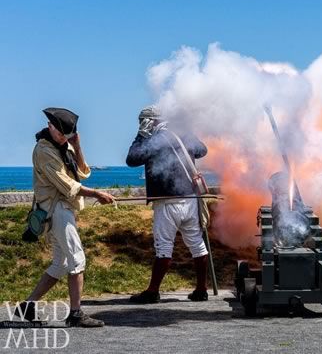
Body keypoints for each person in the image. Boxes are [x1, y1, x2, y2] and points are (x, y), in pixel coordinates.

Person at [17, 108, 116, 327]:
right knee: (77, 259)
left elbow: (82, 172)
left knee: (60, 264)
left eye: (68, 135)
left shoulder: (66, 144)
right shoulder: (43, 150)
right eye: (62, 134)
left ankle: (27, 306)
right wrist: (96, 194)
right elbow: (67, 184)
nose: (65, 138)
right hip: (56, 209)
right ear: (50, 126)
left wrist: (78, 146)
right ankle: (75, 313)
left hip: (64, 208)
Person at [126, 105, 210, 303]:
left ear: (149, 121)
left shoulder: (153, 139)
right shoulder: (182, 133)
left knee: (163, 247)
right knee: (197, 245)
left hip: (167, 201)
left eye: (142, 121)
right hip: (190, 199)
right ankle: (201, 289)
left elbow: (132, 159)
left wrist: (141, 136)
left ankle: (153, 291)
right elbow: (201, 150)